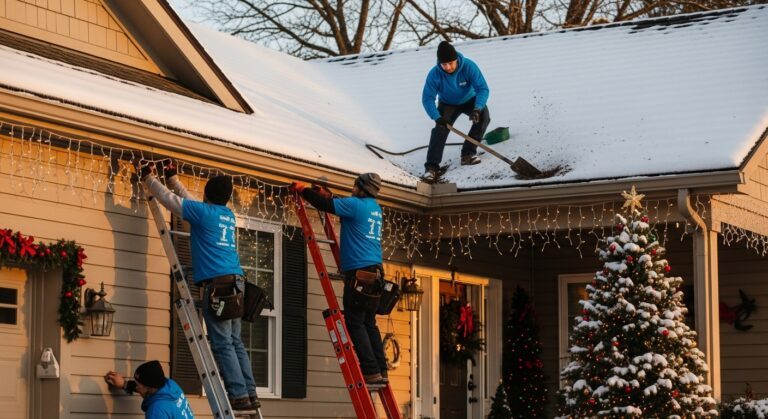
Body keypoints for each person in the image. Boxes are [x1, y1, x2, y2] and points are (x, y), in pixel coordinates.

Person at [138, 160, 259, 411]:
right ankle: (249, 392)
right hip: (236, 282)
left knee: (223, 343)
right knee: (235, 342)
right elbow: (189, 202)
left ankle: (237, 396)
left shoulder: (204, 213)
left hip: (219, 286)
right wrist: (173, 179)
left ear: (208, 194)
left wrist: (149, 178)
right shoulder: (225, 214)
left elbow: (171, 201)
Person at [291, 174, 388, 385]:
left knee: (354, 322)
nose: (353, 187)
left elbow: (325, 204)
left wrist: (303, 190)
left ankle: (370, 371)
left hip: (359, 273)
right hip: (376, 271)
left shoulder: (354, 205)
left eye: (355, 185)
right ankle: (381, 369)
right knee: (369, 322)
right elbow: (339, 203)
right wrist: (330, 195)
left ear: (361, 188)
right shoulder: (374, 208)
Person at [421, 40, 491, 182]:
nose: (447, 67)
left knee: (484, 117)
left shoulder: (469, 66)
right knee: (440, 129)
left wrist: (477, 108)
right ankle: (431, 167)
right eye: (444, 64)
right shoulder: (434, 74)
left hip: (470, 100)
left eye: (450, 63)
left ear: (456, 60)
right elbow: (427, 98)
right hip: (447, 103)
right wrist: (436, 117)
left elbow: (482, 88)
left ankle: (468, 154)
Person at [104, 360, 194, 419]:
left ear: (149, 387)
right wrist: (124, 384)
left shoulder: (157, 410)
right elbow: (146, 389)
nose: (137, 387)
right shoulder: (170, 386)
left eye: (138, 384)